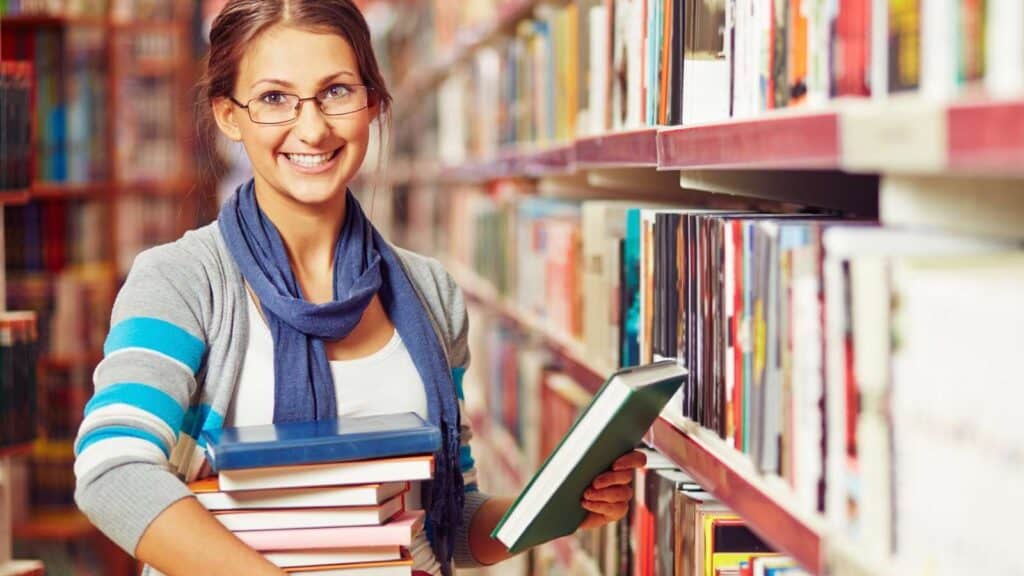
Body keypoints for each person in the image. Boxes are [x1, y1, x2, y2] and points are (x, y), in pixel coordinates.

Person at [72, 1, 643, 574]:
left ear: (372, 101)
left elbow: (446, 523)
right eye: (274, 99)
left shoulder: (430, 293)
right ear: (228, 115)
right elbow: (113, 471)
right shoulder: (182, 279)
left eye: (337, 91)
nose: (313, 127)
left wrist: (550, 508)